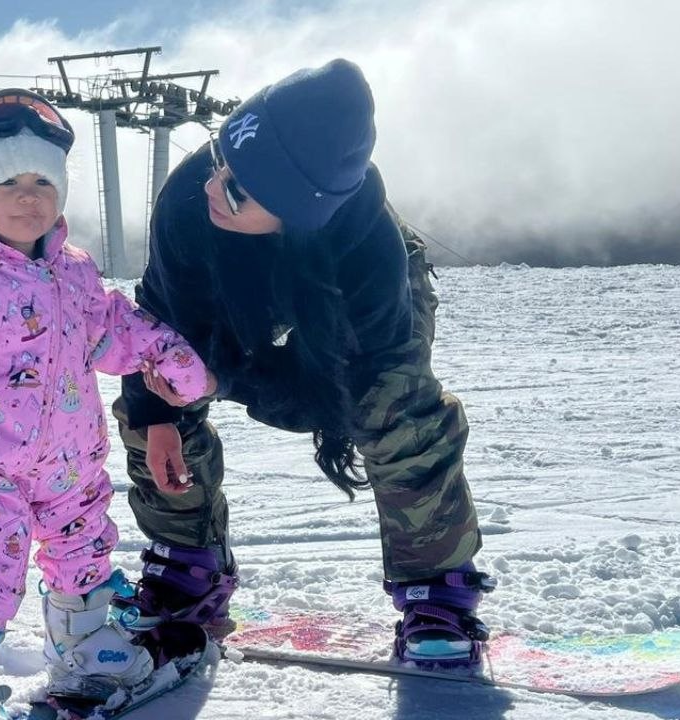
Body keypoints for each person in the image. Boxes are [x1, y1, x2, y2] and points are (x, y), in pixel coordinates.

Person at [111, 59, 494, 667]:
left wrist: (229, 378)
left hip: (343, 299)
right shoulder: (193, 200)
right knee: (156, 389)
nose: (214, 186)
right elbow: (159, 321)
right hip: (234, 287)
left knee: (395, 408)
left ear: (298, 209)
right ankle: (188, 562)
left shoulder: (371, 261)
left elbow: (333, 398)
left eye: (238, 189)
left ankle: (437, 589)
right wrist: (160, 413)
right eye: (219, 160)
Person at [0, 89, 214, 720]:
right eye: (9, 181)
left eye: (42, 181)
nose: (29, 196)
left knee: (84, 555)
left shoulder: (75, 270)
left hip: (70, 466)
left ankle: (88, 650)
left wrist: (166, 355)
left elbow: (112, 327)